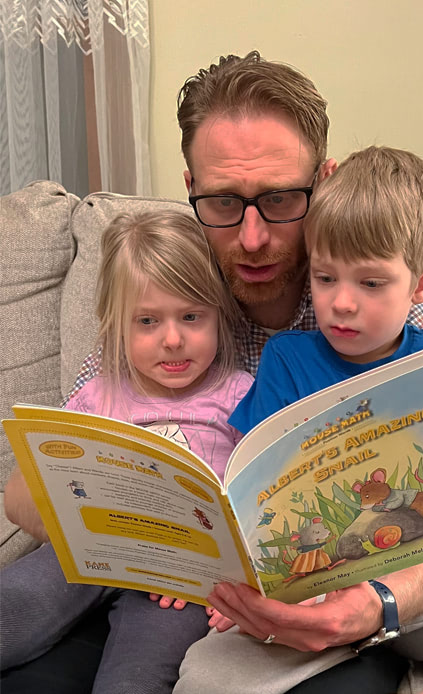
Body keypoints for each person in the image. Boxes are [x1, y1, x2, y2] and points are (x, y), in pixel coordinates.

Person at [3, 52, 423, 694]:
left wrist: (376, 603)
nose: (254, 236)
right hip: (134, 589)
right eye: (222, 202)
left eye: (279, 198)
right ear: (189, 188)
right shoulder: (169, 286)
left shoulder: (383, 309)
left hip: (316, 600)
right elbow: (31, 483)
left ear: (322, 181)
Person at [172, 146, 423, 694]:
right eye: (326, 279)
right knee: (204, 673)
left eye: (371, 284)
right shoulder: (286, 358)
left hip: (419, 591)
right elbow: (249, 487)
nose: (342, 304)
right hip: (311, 593)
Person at [0, 210, 254, 693]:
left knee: (139, 673)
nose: (173, 338)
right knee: (17, 600)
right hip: (87, 552)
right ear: (116, 326)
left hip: (180, 582)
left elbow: (255, 502)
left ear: (221, 315)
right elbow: (48, 476)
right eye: (147, 321)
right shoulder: (97, 395)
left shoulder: (240, 395)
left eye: (192, 316)